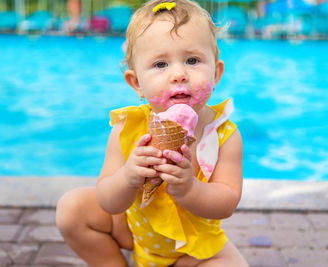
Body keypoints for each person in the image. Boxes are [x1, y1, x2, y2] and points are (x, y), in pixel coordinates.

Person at [56, 0, 248, 266]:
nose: (179, 74)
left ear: (216, 74)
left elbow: (226, 202)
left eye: (192, 60)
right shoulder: (128, 127)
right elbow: (108, 201)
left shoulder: (224, 134)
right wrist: (128, 177)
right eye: (160, 65)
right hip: (135, 233)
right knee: (72, 209)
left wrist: (190, 189)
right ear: (137, 84)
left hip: (193, 251)